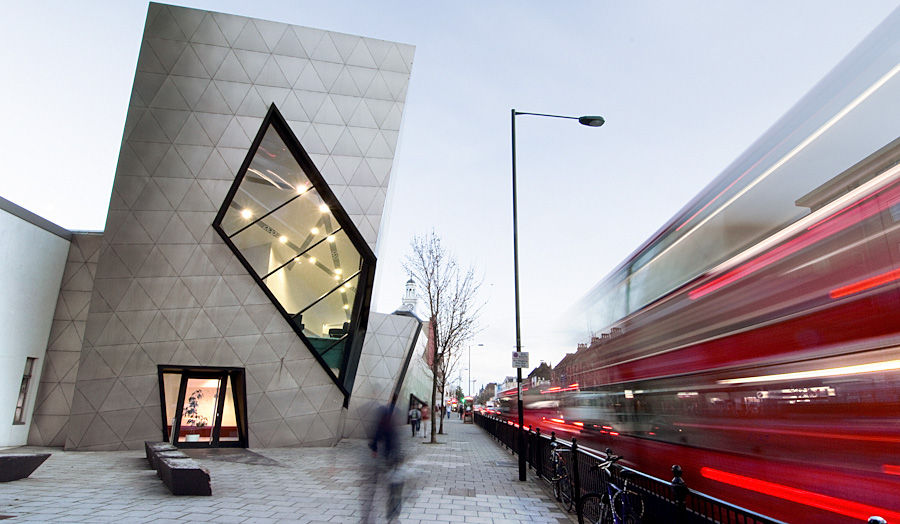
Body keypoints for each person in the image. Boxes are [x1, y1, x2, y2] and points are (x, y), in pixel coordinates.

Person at [364, 404, 402, 522]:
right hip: (389, 459)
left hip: (389, 459)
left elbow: (377, 438)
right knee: (392, 486)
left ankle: (390, 512)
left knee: (390, 487)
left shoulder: (387, 425)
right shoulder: (389, 425)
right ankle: (392, 513)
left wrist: (374, 448)